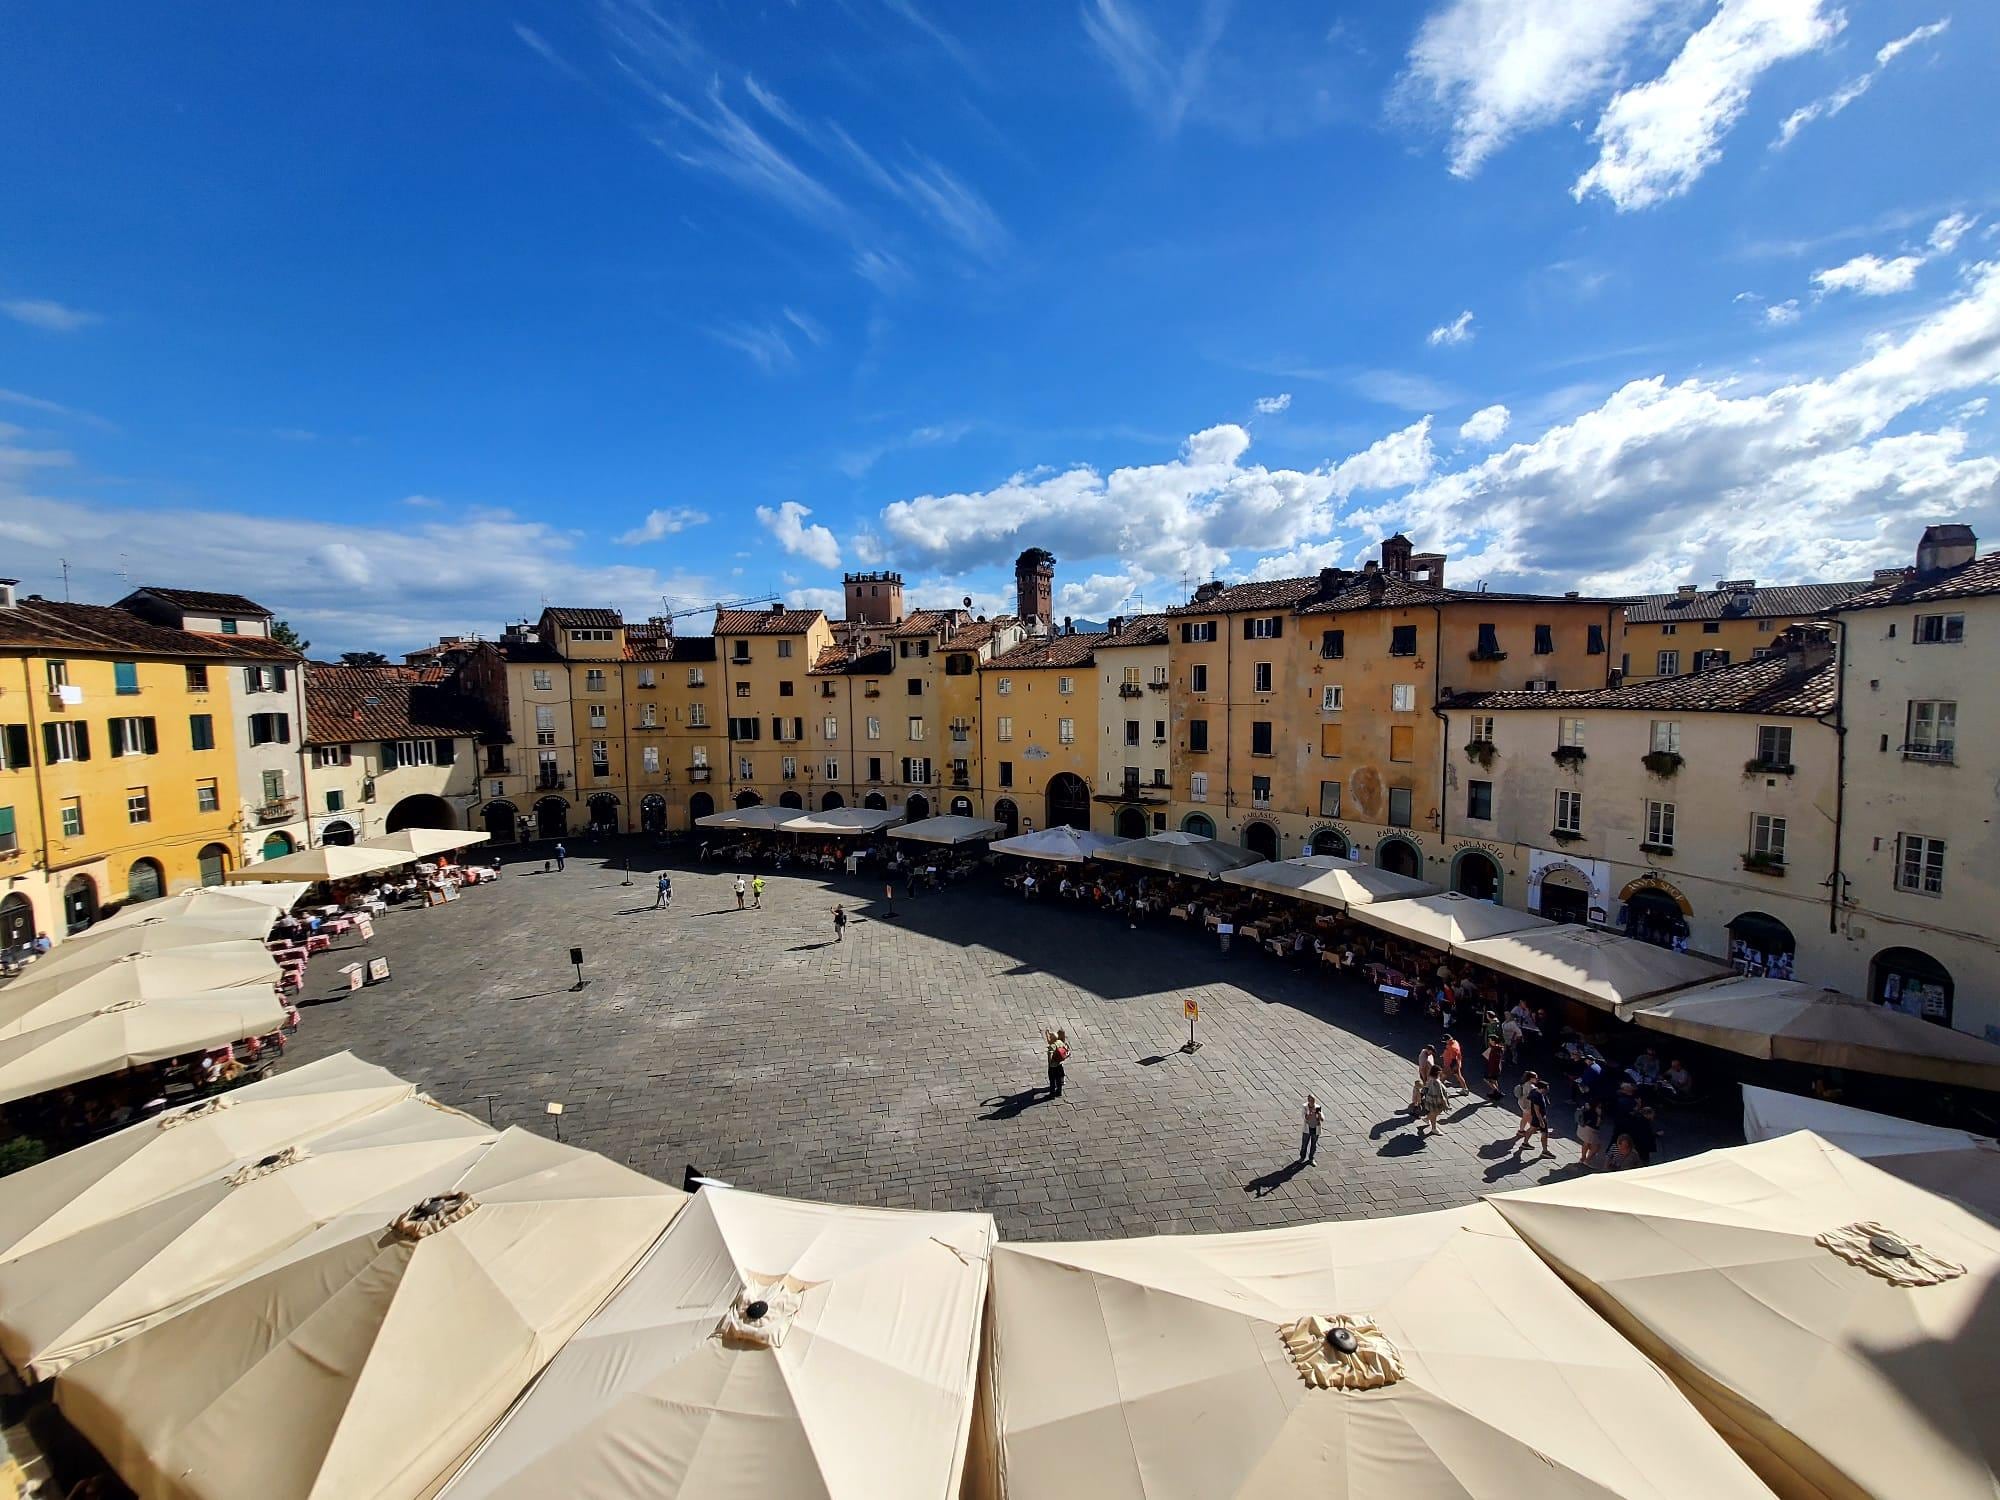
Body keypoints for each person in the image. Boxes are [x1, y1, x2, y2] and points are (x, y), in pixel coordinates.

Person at [1512, 1071, 1550, 1154]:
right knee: (1529, 1121)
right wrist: (1541, 1121)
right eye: (1535, 1077)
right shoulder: (1532, 1088)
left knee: (1525, 1118)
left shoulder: (1527, 1084)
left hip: (1523, 1103)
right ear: (1530, 1078)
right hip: (1528, 1106)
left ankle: (1522, 1131)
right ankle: (1525, 1133)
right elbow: (1536, 1108)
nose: (1537, 1079)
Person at [1419, 1068, 1448, 1136]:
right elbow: (1441, 1094)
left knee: (1434, 1112)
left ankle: (1427, 1119)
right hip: (1436, 1101)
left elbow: (1425, 1087)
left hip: (1430, 1099)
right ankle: (1434, 1128)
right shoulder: (1437, 1082)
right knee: (1435, 1113)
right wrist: (1446, 1104)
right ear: (1438, 1073)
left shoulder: (1430, 1079)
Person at [1408, 1044, 1437, 1113]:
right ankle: (1425, 1102)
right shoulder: (1423, 1058)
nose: (1431, 1053)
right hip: (1426, 1076)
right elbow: (1422, 1069)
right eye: (1431, 1052)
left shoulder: (1427, 1054)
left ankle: (1424, 1098)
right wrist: (1424, 1078)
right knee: (1427, 1087)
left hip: (1429, 1075)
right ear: (1428, 1050)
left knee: (1427, 1087)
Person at [1300, 1094, 1324, 1163]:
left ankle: (1311, 1158)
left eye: (1313, 1100)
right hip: (1307, 1129)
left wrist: (1319, 1115)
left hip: (1315, 1128)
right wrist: (1309, 1114)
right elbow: (1304, 1117)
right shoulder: (1305, 1107)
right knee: (1304, 1144)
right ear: (1308, 1100)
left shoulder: (1317, 1107)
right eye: (1310, 1100)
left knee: (1313, 1145)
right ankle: (1302, 1157)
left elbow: (1322, 1119)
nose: (1312, 1102)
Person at [1045, 1028, 1069, 1097]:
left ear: (1052, 1039)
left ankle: (1052, 1094)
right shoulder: (1060, 1042)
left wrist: (1050, 1062)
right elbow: (1065, 1049)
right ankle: (1059, 1092)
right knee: (1058, 1080)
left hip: (1053, 1066)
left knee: (1052, 1080)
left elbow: (1050, 1053)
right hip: (1060, 1064)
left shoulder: (1052, 1046)